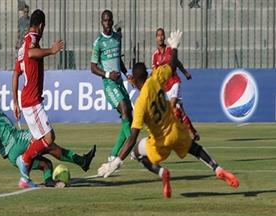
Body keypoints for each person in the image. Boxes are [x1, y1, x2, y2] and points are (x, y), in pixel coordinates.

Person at [98, 30, 239, 198]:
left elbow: (132, 136)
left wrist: (116, 161)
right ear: (147, 73)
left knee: (136, 152)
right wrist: (174, 47)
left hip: (160, 142)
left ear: (134, 81)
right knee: (194, 148)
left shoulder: (141, 103)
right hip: (176, 130)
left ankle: (161, 172)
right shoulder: (156, 77)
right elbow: (172, 66)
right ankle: (217, 168)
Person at [12, 9, 96, 180]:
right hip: (32, 100)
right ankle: (25, 159)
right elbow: (32, 53)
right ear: (41, 25)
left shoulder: (22, 47)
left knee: (49, 146)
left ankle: (82, 161)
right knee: (49, 138)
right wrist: (51, 50)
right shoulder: (32, 39)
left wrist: (15, 101)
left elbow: (15, 74)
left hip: (27, 100)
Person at [0, 72, 95, 188]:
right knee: (47, 141)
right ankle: (82, 161)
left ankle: (48, 181)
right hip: (16, 142)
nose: (0, 93)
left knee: (46, 164)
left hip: (12, 155)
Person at [91, 9, 133, 162]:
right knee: (124, 109)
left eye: (109, 20)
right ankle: (133, 147)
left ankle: (114, 154)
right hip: (109, 84)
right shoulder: (98, 43)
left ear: (112, 21)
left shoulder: (117, 38)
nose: (107, 23)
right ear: (101, 22)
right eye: (105, 20)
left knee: (130, 117)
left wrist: (126, 73)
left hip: (120, 82)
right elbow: (93, 67)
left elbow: (118, 60)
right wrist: (108, 75)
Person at [152, 28, 199, 141]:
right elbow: (154, 73)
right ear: (156, 38)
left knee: (173, 105)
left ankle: (178, 133)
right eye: (158, 35)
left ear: (164, 37)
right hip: (165, 86)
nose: (161, 37)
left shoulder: (170, 50)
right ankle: (193, 132)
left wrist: (185, 72)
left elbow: (177, 63)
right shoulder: (155, 56)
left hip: (174, 82)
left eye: (162, 35)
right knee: (179, 110)